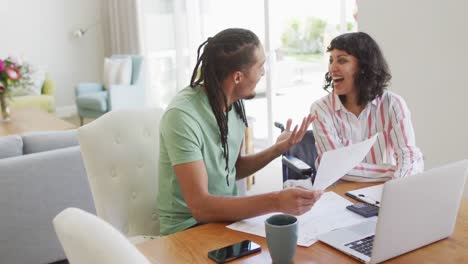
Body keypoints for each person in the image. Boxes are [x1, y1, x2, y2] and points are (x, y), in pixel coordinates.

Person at [157, 28, 322, 236]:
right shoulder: (182, 116)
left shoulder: (233, 105)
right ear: (237, 77)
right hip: (186, 229)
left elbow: (234, 169)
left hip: (226, 221)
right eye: (260, 66)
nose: (263, 73)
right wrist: (277, 200)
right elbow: (200, 207)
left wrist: (278, 149)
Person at [311, 32, 424, 182]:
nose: (332, 68)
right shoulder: (321, 109)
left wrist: (399, 184)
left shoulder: (393, 104)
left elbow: (408, 155)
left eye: (342, 60)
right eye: (331, 60)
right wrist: (393, 171)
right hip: (339, 191)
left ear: (364, 67)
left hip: (384, 189)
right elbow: (335, 167)